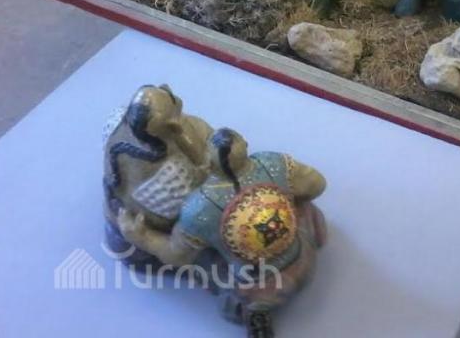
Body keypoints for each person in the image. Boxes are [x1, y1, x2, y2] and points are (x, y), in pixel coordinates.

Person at [117, 128, 327, 338]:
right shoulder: (273, 163)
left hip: (264, 288)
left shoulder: (199, 209)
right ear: (245, 145)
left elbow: (177, 256)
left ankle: (257, 315)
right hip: (303, 255)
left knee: (201, 256)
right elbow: (317, 184)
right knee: (300, 203)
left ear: (207, 161)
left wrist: (142, 237)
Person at [103, 85, 213, 267]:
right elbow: (203, 177)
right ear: (173, 126)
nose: (165, 87)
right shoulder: (172, 173)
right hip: (163, 224)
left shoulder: (117, 122)